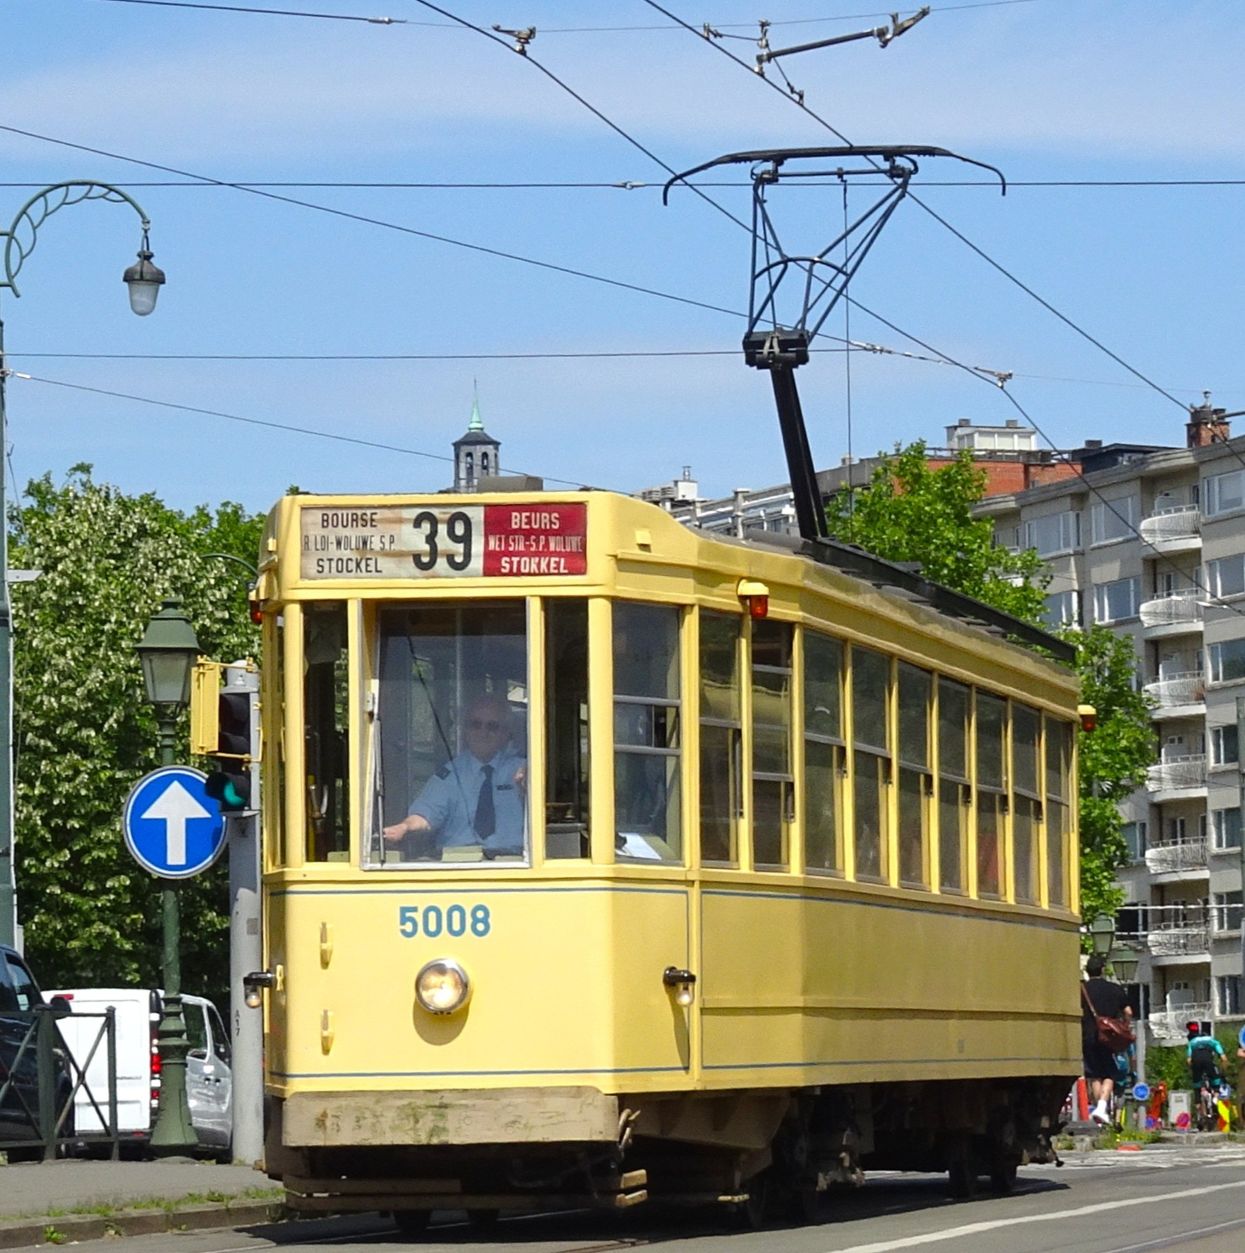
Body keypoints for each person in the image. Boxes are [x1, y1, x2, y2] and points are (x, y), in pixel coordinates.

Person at [383, 694, 526, 857]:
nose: (483, 732)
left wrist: (528, 785)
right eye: (476, 725)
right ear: (466, 730)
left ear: (505, 734)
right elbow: (426, 814)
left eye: (492, 726)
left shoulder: (521, 769)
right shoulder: (450, 774)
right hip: (458, 862)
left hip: (512, 863)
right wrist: (404, 827)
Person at [1080, 953, 1134, 1126]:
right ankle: (1102, 1107)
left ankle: (1100, 1113)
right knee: (1110, 1073)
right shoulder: (1114, 989)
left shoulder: (1081, 990)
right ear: (1103, 970)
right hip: (1108, 1037)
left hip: (1087, 1037)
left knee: (1094, 1075)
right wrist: (1124, 1026)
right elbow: (1128, 1012)